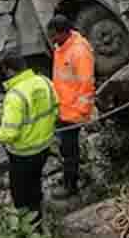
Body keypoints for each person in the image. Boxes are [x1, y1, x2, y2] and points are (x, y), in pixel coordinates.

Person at [0, 51, 58, 226]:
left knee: (20, 194)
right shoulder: (45, 81)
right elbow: (56, 108)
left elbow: (10, 134)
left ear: (9, 70)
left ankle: (29, 227)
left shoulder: (15, 95)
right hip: (44, 147)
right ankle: (38, 217)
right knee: (35, 183)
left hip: (23, 154)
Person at [48, 15, 94, 199]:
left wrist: (80, 112)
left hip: (73, 112)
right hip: (63, 107)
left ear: (64, 33)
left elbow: (86, 85)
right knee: (66, 148)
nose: (52, 39)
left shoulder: (79, 52)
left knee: (69, 150)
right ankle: (70, 177)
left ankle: (71, 186)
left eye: (54, 35)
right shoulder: (61, 47)